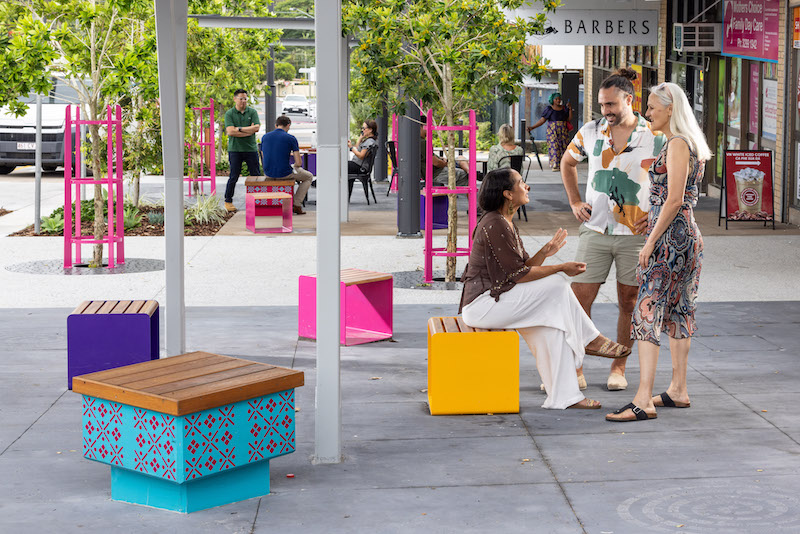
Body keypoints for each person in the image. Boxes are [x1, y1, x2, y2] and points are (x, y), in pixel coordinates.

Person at [460, 168, 631, 410]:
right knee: (557, 282)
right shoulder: (495, 224)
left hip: (496, 301)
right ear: (508, 194)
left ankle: (566, 397)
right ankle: (590, 339)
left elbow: (522, 268)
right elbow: (519, 276)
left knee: (552, 329)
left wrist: (545, 252)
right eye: (521, 182)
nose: (526, 186)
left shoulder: (505, 222)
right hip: (482, 307)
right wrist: (561, 266)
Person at [606, 83, 711, 422]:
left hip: (670, 238)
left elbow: (675, 198)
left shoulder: (678, 143)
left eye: (652, 107)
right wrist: (650, 224)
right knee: (680, 310)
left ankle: (642, 400)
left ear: (670, 110)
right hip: (683, 235)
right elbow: (674, 200)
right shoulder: (683, 142)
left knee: (646, 310)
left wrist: (650, 240)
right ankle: (678, 390)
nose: (646, 113)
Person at [560, 68, 666, 392]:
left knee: (629, 302)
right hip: (594, 229)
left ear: (629, 100)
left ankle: (619, 367)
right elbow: (567, 162)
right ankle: (575, 365)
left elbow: (674, 178)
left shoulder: (655, 136)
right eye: (602, 105)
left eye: (611, 105)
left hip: (635, 234)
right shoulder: (590, 131)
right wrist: (575, 201)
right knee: (580, 300)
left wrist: (658, 213)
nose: (605, 111)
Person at [260, 115, 314, 215]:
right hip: (284, 173)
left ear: (276, 125)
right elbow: (298, 163)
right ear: (288, 125)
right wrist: (294, 164)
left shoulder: (265, 137)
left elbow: (265, 155)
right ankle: (297, 204)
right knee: (308, 177)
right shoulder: (291, 138)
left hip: (268, 173)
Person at [223, 89, 261, 212]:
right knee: (233, 176)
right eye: (241, 98)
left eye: (245, 98)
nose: (243, 101)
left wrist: (238, 130)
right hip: (235, 150)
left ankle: (258, 200)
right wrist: (247, 130)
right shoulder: (230, 113)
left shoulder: (252, 112)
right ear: (235, 99)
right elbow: (230, 131)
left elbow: (256, 128)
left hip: (251, 149)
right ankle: (228, 201)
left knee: (256, 176)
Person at [527, 93, 573, 172]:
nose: (558, 100)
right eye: (556, 99)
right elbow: (542, 120)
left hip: (563, 132)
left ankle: (563, 164)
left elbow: (568, 119)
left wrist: (570, 109)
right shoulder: (549, 109)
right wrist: (532, 127)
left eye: (559, 99)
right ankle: (555, 165)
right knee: (554, 146)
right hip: (552, 132)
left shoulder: (564, 108)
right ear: (552, 100)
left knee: (564, 147)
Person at [420, 120, 470, 187]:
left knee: (461, 158)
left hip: (435, 171)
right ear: (422, 127)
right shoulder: (423, 143)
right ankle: (470, 174)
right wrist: (445, 163)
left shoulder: (416, 141)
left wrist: (441, 159)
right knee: (464, 175)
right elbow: (436, 163)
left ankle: (469, 171)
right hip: (437, 174)